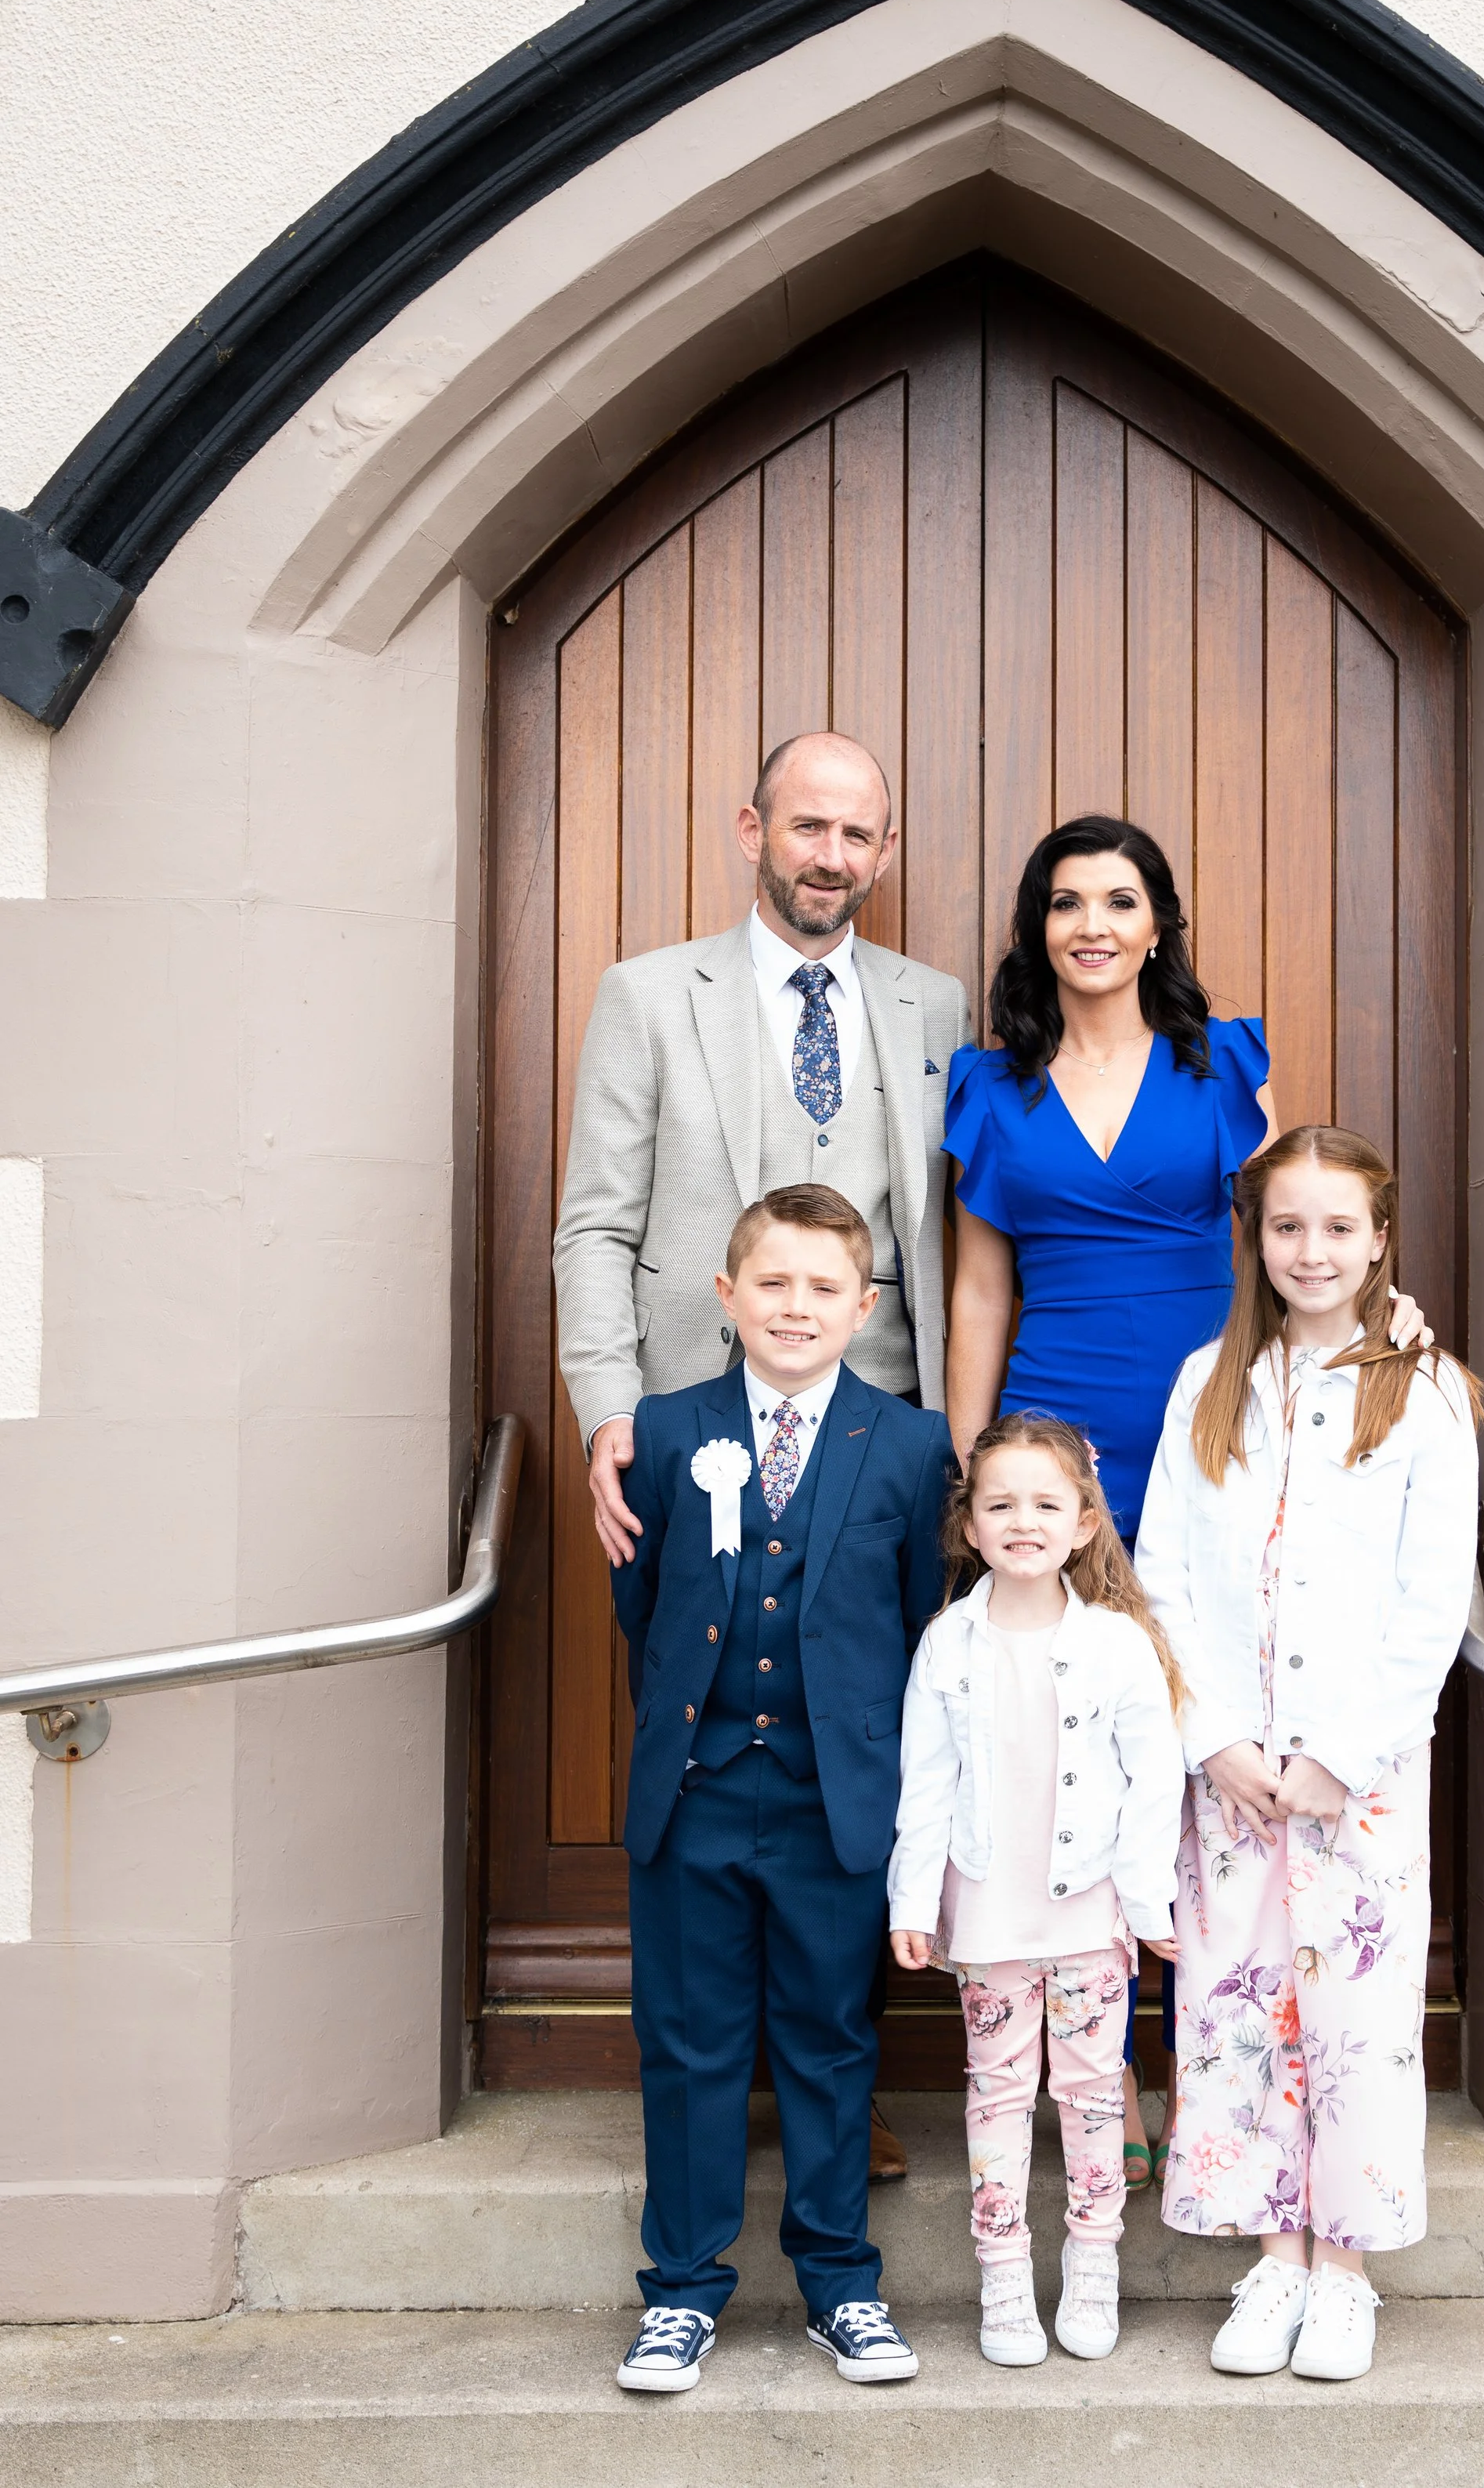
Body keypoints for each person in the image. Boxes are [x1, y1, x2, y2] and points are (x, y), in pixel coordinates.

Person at [940, 815, 1429, 2182]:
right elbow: (981, 1287)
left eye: (1119, 899)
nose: (1091, 924)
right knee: (1055, 1749)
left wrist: (1387, 1336)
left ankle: (1174, 2067)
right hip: (1056, 1447)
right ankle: (1055, 2055)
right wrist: (977, 1466)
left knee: (1182, 1762)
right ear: (1039, 930)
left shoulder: (1222, 1069)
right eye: (1065, 903)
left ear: (1159, 924)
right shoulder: (991, 1085)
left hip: (1212, 1443)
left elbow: (1299, 1244)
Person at [556, 726, 968, 2182]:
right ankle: (709, 2096)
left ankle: (827, 2098)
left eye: (858, 835)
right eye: (807, 827)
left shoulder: (934, 1004)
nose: (830, 858)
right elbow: (597, 1223)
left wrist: (955, 1440)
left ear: (886, 852)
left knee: (858, 1744)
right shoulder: (649, 995)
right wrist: (612, 1409)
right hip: (690, 1438)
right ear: (752, 828)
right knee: (704, 1735)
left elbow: (950, 1244)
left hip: (878, 1449)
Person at [1135, 1126, 1482, 2385]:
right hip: (1232, 1770)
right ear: (1257, 1239)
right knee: (1240, 2009)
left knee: (1352, 2015)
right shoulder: (1211, 1383)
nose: (1314, 1250)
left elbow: (1429, 1599)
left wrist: (1345, 1753)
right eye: (1289, 1227)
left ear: (1381, 1237)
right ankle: (1275, 2254)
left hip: (1359, 1779)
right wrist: (1212, 1734)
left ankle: (1345, 2272)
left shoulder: (1424, 1394)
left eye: (1340, 1227)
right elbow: (1162, 1570)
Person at [609, 1184, 957, 2395]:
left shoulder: (911, 1444)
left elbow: (922, 1625)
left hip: (835, 1800)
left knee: (828, 2039)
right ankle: (684, 2292)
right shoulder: (664, 1430)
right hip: (695, 1794)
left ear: (864, 1307)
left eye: (823, 1288)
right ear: (727, 1295)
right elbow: (643, 1611)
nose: (796, 1307)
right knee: (691, 2042)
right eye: (773, 1284)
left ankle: (841, 2283)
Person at [888, 1416, 1185, 2366]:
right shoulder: (947, 1644)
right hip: (988, 1913)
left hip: (1089, 1911)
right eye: (1000, 1503)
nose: (1023, 1520)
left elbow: (1155, 1785)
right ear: (968, 1526)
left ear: (1086, 1520)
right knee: (1000, 2090)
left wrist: (1146, 1905)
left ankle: (1093, 2263)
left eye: (1046, 1503)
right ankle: (1004, 2273)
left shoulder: (1118, 1645)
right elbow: (924, 1783)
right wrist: (910, 1902)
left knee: (1097, 2092)